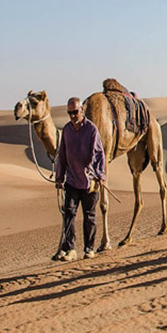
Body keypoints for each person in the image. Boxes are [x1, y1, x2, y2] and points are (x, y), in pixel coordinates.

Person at [53, 96, 107, 260]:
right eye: (69, 113)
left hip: (88, 181)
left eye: (75, 112)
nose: (72, 116)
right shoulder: (67, 130)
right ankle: (70, 249)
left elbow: (99, 154)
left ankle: (89, 248)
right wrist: (59, 177)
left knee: (89, 216)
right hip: (71, 180)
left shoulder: (91, 130)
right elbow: (62, 154)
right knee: (69, 213)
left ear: (81, 111)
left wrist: (100, 175)